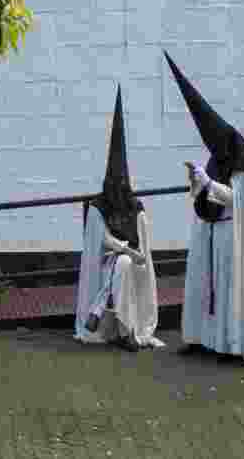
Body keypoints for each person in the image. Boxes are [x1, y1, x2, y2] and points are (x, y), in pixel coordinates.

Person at [163, 51, 244, 364]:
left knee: (228, 292)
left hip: (231, 236)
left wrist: (208, 183)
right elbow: (206, 194)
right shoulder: (217, 159)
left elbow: (240, 201)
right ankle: (202, 338)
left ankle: (231, 345)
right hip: (209, 233)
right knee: (203, 288)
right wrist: (197, 182)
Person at [74, 86, 165, 351]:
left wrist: (137, 255)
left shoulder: (135, 206)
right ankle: (125, 330)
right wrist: (125, 250)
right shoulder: (99, 207)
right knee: (123, 263)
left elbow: (144, 245)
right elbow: (101, 240)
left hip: (132, 264)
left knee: (126, 265)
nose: (119, 186)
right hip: (107, 262)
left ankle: (128, 326)